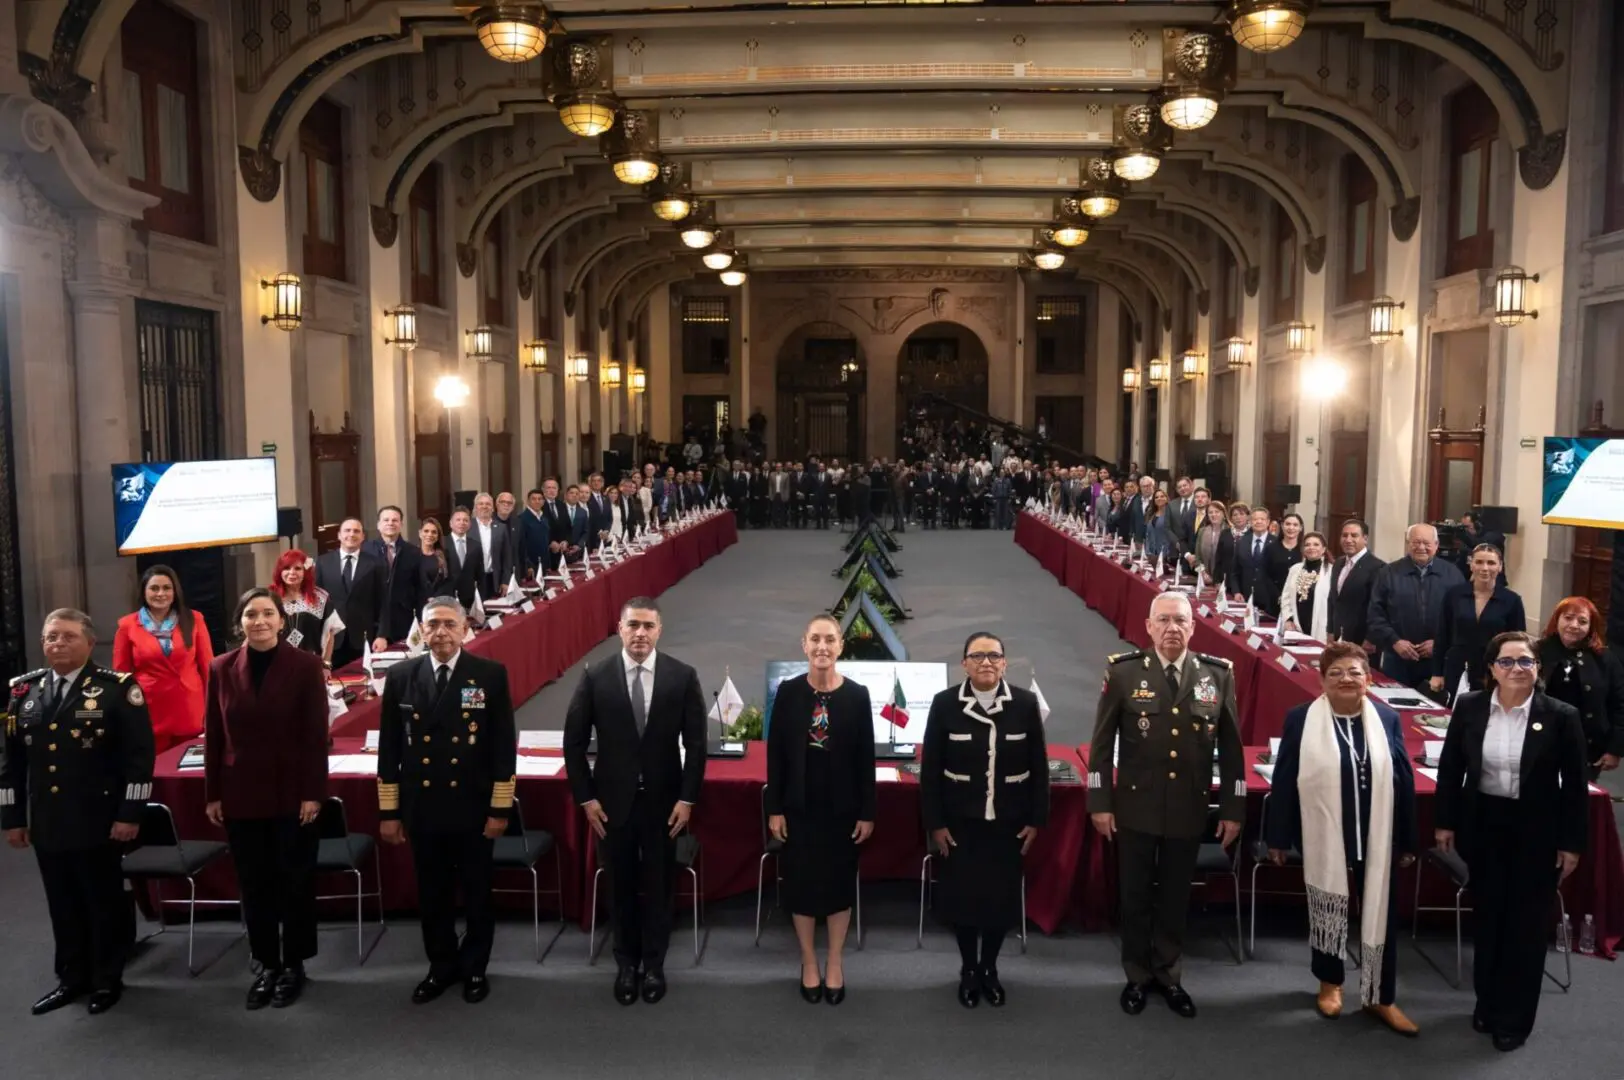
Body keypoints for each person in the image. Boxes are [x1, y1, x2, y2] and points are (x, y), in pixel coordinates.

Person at [1089, 592, 1244, 1019]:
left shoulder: (1217, 675)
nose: (1173, 628)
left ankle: (1169, 975)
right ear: (1149, 626)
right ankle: (1137, 975)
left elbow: (1232, 753)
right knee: (1135, 895)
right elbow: (1101, 747)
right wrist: (1100, 802)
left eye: (1181, 621)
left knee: (1175, 897)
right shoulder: (1123, 673)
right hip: (1134, 808)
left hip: (1187, 809)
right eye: (1164, 621)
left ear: (1193, 627)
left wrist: (1233, 808)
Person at [1434, 631, 1588, 1052]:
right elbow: (1450, 770)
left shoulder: (1561, 715)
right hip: (1484, 822)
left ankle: (1514, 1019)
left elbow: (1576, 787)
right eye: (1507, 662)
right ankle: (1486, 1002)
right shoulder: (1469, 708)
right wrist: (1445, 823)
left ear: (1538, 668)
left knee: (1524, 927)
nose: (1517, 669)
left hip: (1537, 829)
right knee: (1489, 920)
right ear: (1491, 669)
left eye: (1526, 661)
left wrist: (1571, 843)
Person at [3, 609, 154, 1016]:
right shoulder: (24, 692)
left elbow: (138, 759)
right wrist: (13, 818)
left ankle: (107, 979)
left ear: (90, 642)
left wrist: (130, 813)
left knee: (101, 900)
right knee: (62, 903)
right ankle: (71, 977)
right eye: (51, 637)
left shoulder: (116, 689)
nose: (58, 644)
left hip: (100, 819)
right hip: (49, 821)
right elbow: (11, 764)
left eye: (68, 637)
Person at [1265, 642, 1418, 1033]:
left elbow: (1402, 779)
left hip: (1377, 834)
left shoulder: (1387, 718)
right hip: (1326, 833)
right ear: (1321, 681)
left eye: (1354, 672)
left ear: (1368, 678)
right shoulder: (1301, 719)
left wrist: (1408, 839)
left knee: (1382, 914)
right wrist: (1278, 837)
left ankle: (1380, 996)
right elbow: (1284, 779)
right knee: (1328, 907)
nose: (1346, 679)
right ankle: (1330, 983)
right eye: (1336, 673)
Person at [563, 597, 706, 1006]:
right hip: (611, 806)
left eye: (648, 626)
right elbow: (573, 743)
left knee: (660, 886)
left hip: (666, 806)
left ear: (659, 630)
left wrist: (687, 799)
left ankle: (655, 965)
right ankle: (626, 964)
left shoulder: (682, 676)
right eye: (633, 625)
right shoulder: (596, 676)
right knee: (621, 885)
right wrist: (586, 798)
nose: (640, 633)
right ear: (619, 628)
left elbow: (696, 746)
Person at [377, 596, 517, 1005]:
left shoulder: (488, 675)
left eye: (448, 624)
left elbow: (502, 747)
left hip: (472, 807)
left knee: (477, 893)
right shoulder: (402, 676)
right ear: (420, 629)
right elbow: (389, 748)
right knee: (432, 894)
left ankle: (475, 968)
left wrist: (499, 808)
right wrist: (390, 811)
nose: (439, 632)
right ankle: (440, 966)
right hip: (423, 807)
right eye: (432, 624)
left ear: (464, 629)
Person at [203, 588, 329, 1009]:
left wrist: (314, 791)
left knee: (294, 881)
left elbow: (315, 736)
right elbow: (215, 736)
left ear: (281, 620)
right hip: (240, 793)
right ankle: (266, 962)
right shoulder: (221, 668)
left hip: (293, 793)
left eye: (267, 614)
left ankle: (294, 964)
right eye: (250, 614)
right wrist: (212, 792)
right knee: (254, 885)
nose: (259, 621)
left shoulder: (306, 665)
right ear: (240, 622)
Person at [920, 633, 1048, 1009]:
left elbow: (1039, 769)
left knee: (998, 903)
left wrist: (1037, 820)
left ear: (1005, 663)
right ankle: (969, 969)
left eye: (994, 656)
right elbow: (931, 772)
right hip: (960, 826)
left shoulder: (1024, 704)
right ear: (964, 664)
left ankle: (990, 968)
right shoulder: (945, 704)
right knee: (963, 902)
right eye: (978, 656)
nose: (987, 662)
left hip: (1008, 824)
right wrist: (936, 824)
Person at [764, 615, 875, 1005]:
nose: (822, 647)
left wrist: (867, 811)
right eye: (816, 639)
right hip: (799, 809)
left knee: (839, 885)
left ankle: (835, 962)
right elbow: (775, 756)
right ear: (804, 645)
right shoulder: (789, 692)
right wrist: (774, 808)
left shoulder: (858, 695)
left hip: (842, 810)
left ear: (841, 646)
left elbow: (866, 760)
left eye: (830, 639)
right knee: (802, 886)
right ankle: (809, 961)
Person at [112, 565, 213, 753]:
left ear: (175, 592)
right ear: (144, 591)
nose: (161, 594)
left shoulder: (194, 619)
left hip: (190, 709)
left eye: (167, 588)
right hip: (150, 710)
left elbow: (208, 668)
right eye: (154, 588)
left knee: (188, 773)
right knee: (155, 772)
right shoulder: (127, 625)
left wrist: (213, 710)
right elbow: (122, 677)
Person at [1366, 523, 1465, 689]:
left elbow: (1461, 617)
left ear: (1436, 545)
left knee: (1434, 712)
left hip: (1438, 662)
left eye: (1427, 543)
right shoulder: (1388, 573)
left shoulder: (1453, 574)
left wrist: (1439, 643)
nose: (1421, 547)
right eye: (1416, 542)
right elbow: (1375, 615)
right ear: (1407, 544)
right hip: (1397, 659)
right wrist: (1395, 641)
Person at [1536, 596, 1624, 779]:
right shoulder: (1537, 651)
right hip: (1541, 740)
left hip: (1587, 745)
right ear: (1556, 619)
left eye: (1582, 621)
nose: (1574, 625)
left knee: (1578, 801)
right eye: (1568, 618)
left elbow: (1620, 705)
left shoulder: (1606, 659)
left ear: (1591, 627)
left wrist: (1615, 749)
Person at [1431, 544, 1525, 706]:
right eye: (1479, 562)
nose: (1484, 568)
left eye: (1491, 563)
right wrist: (1437, 673)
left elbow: (1518, 644)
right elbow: (1442, 635)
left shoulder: (1512, 600)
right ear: (1471, 564)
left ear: (1500, 567)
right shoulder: (1454, 595)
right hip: (1457, 667)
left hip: (1494, 671)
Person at [314, 518, 387, 669]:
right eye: (347, 530)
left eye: (356, 531)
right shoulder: (323, 562)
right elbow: (317, 601)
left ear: (363, 537)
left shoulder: (376, 563)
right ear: (339, 535)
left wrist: (382, 635)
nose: (351, 534)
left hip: (364, 638)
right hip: (332, 639)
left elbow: (384, 603)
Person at [364, 505, 428, 643]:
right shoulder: (365, 550)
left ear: (401, 524)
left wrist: (422, 619)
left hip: (403, 619)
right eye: (386, 520)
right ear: (378, 524)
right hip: (373, 620)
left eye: (395, 520)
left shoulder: (413, 552)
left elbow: (421, 589)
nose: (390, 523)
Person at [269, 549, 343, 664]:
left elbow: (330, 634)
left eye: (298, 568)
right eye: (286, 568)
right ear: (280, 571)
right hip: (275, 665)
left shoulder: (321, 597)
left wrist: (326, 664)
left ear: (306, 571)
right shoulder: (269, 598)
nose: (292, 572)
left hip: (311, 665)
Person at [1327, 518, 1385, 653]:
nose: (1348, 540)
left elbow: (1378, 607)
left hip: (1363, 641)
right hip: (1339, 637)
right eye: (1344, 535)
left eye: (1354, 535)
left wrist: (1371, 638)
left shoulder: (1378, 567)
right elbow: (1333, 600)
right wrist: (1330, 630)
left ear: (1365, 539)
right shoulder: (1338, 564)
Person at [1279, 532, 1334, 641]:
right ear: (1303, 549)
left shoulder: (1332, 572)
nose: (1311, 547)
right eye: (1307, 545)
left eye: (1316, 544)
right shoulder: (1295, 569)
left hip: (1321, 628)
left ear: (1323, 549)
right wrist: (1288, 619)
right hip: (1296, 627)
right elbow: (1286, 598)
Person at [1230, 506, 1279, 615]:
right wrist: (1236, 591)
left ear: (1268, 522)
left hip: (1269, 602)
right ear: (1250, 522)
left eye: (1262, 519)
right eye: (1255, 519)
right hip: (1246, 599)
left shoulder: (1276, 544)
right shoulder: (1242, 542)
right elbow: (1234, 571)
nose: (1259, 522)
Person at [1184, 500, 1234, 593]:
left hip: (1225, 582)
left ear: (1223, 514)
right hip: (1205, 580)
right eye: (1210, 512)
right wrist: (1202, 572)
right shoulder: (1202, 531)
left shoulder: (1231, 532)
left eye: (1217, 512)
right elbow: (1198, 557)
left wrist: (1217, 579)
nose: (1213, 515)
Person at [471, 493, 513, 599]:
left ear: (493, 508)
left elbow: (507, 557)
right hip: (474, 580)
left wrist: (505, 581)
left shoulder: (501, 528)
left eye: (488, 504)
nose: (484, 507)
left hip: (494, 580)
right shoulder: (468, 527)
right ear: (475, 507)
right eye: (480, 504)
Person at [515, 489, 551, 580]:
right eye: (534, 499)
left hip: (543, 564)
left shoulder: (544, 519)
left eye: (540, 499)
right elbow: (521, 545)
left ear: (543, 501)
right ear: (528, 501)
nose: (537, 501)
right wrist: (528, 565)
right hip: (531, 567)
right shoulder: (521, 519)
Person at [416, 516, 449, 597]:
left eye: (434, 532)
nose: (429, 534)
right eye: (426, 531)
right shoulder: (412, 555)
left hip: (439, 602)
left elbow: (448, 581)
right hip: (418, 603)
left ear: (438, 536)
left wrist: (435, 598)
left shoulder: (444, 555)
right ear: (420, 533)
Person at [1144, 489, 1179, 564]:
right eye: (1156, 497)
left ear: (1166, 498)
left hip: (1168, 555)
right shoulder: (1151, 513)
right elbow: (1148, 534)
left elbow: (1174, 534)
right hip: (1153, 554)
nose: (1159, 498)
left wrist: (1167, 553)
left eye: (1162, 496)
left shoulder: (1172, 513)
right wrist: (1147, 551)